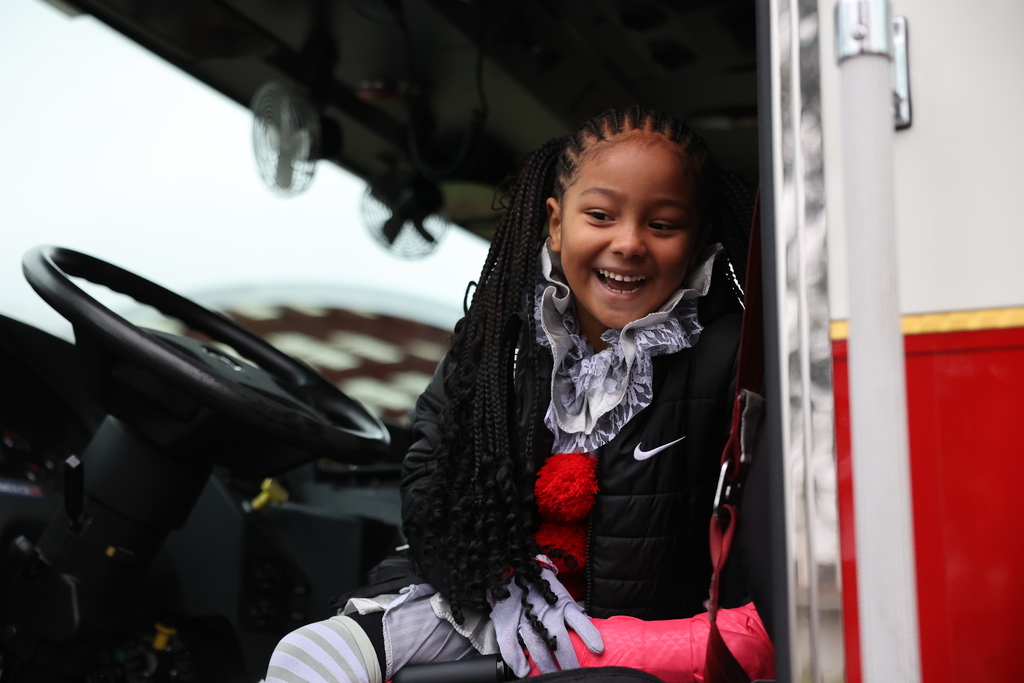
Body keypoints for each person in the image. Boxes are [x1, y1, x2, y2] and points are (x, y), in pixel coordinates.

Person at [265, 106, 773, 683]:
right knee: (308, 656)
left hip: (636, 642)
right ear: (555, 224)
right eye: (601, 215)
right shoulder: (500, 335)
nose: (628, 243)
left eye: (662, 225)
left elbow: (761, 577)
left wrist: (617, 643)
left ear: (700, 237)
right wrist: (504, 591)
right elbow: (430, 481)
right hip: (487, 604)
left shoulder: (733, 355)